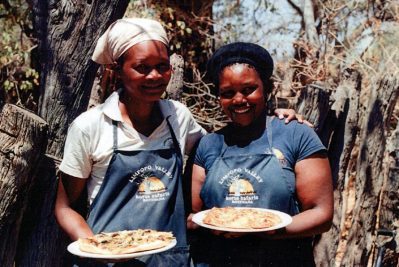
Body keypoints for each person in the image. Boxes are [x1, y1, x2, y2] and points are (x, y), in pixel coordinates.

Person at [55, 18, 306, 266]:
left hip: (170, 260)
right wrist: (98, 249)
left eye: (162, 66)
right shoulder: (90, 127)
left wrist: (276, 121)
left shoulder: (178, 117)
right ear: (117, 70)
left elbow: (222, 152)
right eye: (142, 67)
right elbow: (65, 207)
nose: (155, 76)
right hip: (108, 262)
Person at [188, 42, 333, 267]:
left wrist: (266, 228)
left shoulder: (296, 134)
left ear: (267, 88)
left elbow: (321, 213)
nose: (238, 100)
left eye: (248, 89)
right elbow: (198, 213)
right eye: (227, 93)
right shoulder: (208, 144)